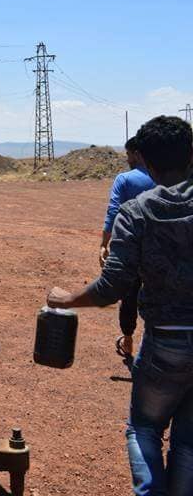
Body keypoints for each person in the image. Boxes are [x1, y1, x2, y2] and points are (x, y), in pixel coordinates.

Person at [47, 115, 193, 495]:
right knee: (189, 443)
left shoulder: (138, 212)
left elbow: (113, 286)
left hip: (165, 342)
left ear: (142, 158)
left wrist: (68, 298)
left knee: (144, 427)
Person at [101, 136, 156, 359]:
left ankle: (128, 339)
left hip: (130, 247)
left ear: (136, 154)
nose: (127, 159)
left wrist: (104, 243)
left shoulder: (124, 180)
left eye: (128, 155)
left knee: (129, 294)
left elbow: (113, 212)